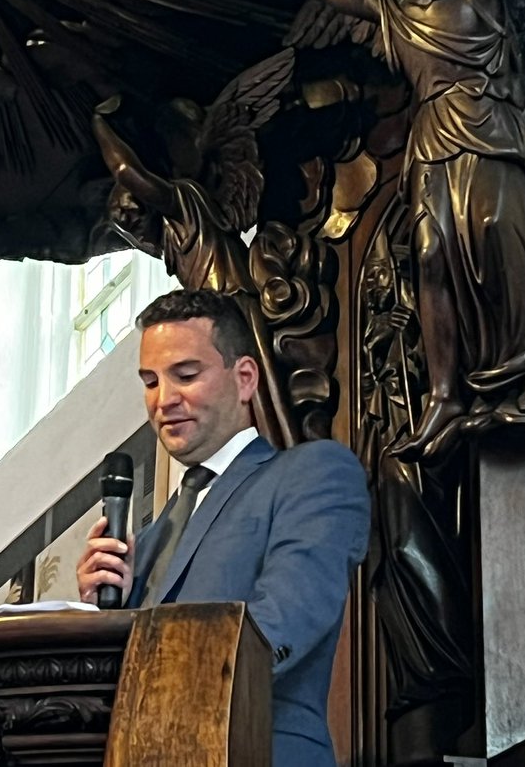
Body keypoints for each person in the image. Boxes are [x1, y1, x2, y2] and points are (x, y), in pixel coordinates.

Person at [208, 0, 525, 463]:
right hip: (432, 141)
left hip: (488, 131)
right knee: (431, 260)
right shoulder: (389, 12)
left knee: (498, 243)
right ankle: (444, 395)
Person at [76, 289, 370, 766]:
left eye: (186, 375)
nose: (163, 400)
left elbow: (287, 618)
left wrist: (161, 682)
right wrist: (99, 614)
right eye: (150, 382)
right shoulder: (147, 542)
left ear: (245, 378)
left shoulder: (311, 474)